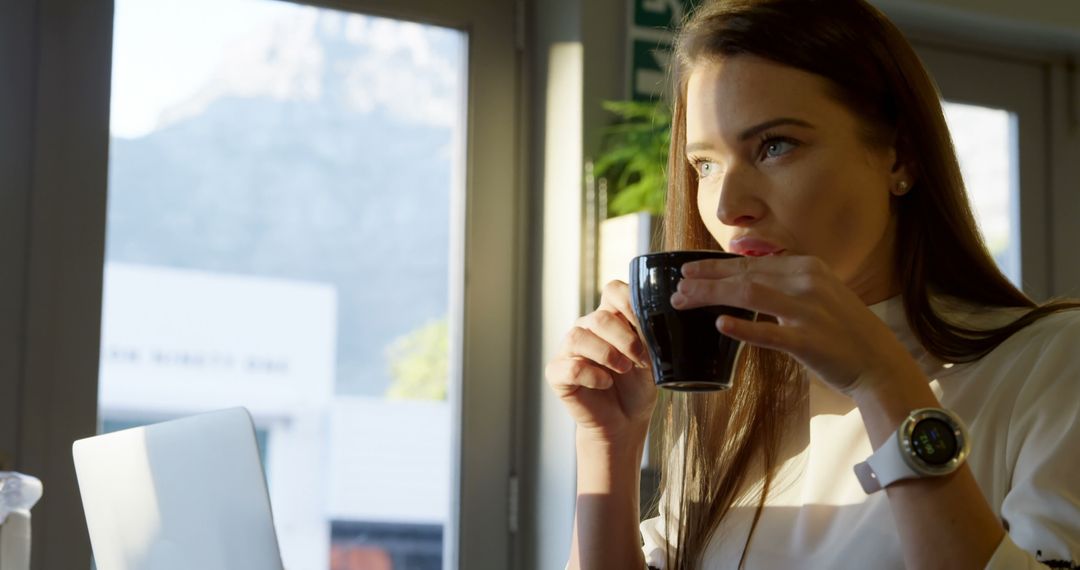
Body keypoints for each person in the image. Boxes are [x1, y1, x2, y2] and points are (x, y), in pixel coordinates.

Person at [544, 0, 1080, 568]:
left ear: (900, 155)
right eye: (705, 164)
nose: (727, 207)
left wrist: (881, 380)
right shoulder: (734, 393)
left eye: (775, 146)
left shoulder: (1052, 362)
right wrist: (609, 443)